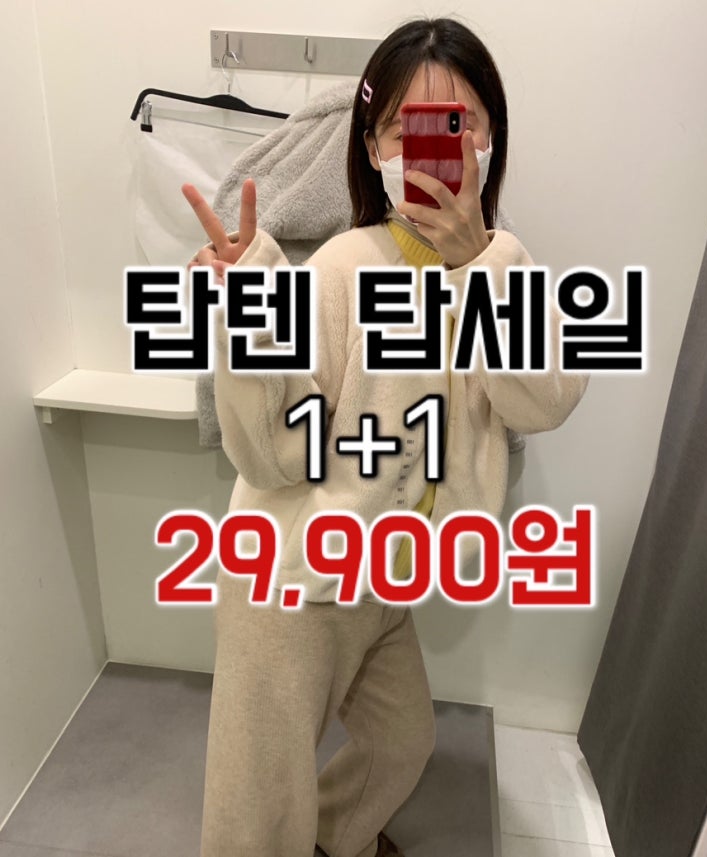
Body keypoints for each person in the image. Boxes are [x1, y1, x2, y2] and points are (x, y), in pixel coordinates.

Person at [183, 17, 588, 857]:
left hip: (383, 582)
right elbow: (273, 453)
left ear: (488, 141)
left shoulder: (506, 267)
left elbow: (542, 400)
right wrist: (247, 310)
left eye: (456, 124)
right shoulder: (340, 266)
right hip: (288, 584)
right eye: (407, 129)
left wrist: (478, 266)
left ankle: (335, 837)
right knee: (258, 804)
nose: (432, 149)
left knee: (403, 740)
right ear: (372, 148)